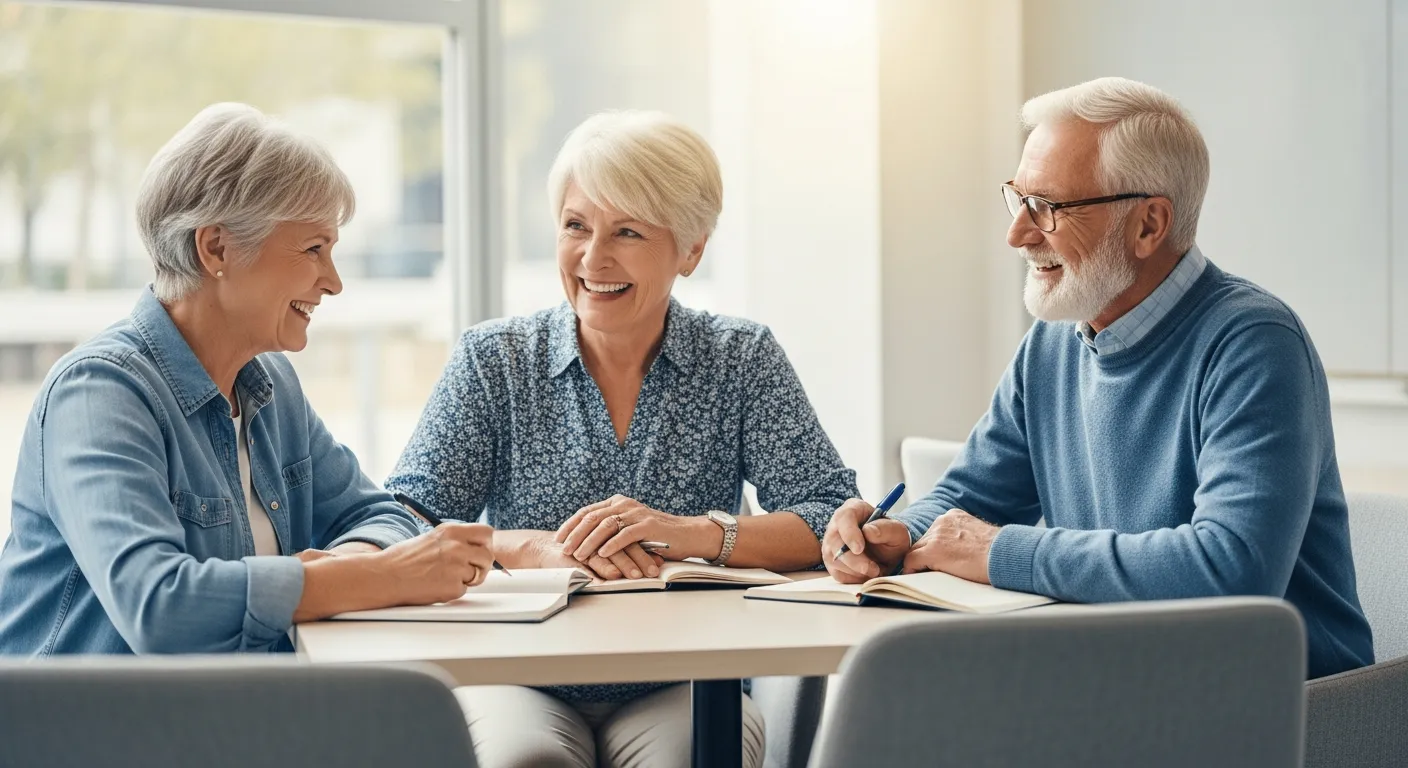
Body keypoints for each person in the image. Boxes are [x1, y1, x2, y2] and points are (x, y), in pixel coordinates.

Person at [823, 77, 1374, 679]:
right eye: (1019, 198)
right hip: (1121, 677)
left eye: (1050, 208)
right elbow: (967, 499)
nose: (1019, 233)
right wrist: (896, 533)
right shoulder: (1055, 339)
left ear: (1148, 225)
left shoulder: (1255, 344)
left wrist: (1000, 550)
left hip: (1269, 702)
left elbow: (1232, 569)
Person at [387, 110, 858, 768]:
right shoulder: (494, 361)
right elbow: (402, 524)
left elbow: (830, 516)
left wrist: (699, 534)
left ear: (690, 250)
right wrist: (525, 547)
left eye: (628, 231)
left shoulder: (740, 358)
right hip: (524, 674)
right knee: (525, 761)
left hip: (684, 678)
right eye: (576, 226)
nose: (593, 257)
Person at [0, 103, 494, 656]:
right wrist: (380, 577)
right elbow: (158, 606)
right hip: (96, 735)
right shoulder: (98, 394)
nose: (333, 281)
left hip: (235, 720)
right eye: (313, 248)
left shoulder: (270, 384)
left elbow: (376, 515)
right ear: (216, 247)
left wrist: (347, 567)